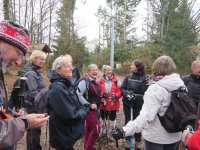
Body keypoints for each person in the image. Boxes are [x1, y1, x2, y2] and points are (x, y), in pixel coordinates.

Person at [113, 56, 184, 150]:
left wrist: (124, 130)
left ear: (156, 68)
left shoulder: (155, 88)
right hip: (175, 135)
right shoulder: (180, 84)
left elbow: (145, 117)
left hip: (156, 138)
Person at [0, 20, 49, 148]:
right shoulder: (31, 74)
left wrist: (13, 116)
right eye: (18, 53)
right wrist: (24, 122)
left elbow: (1, 112)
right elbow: (33, 94)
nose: (19, 62)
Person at [47, 55, 88, 150]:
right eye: (67, 66)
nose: (71, 68)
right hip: (62, 136)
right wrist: (84, 109)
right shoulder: (58, 89)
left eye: (71, 66)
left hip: (66, 135)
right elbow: (71, 115)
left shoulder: (65, 85)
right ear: (58, 69)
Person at [22, 50, 47, 150]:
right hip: (33, 106)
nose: (42, 61)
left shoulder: (37, 72)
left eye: (44, 59)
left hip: (37, 105)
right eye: (40, 59)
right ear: (34, 59)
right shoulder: (31, 73)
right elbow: (33, 93)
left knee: (35, 131)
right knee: (33, 132)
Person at [121, 59, 148, 150]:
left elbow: (146, 93)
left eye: (132, 65)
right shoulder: (128, 77)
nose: (131, 66)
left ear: (137, 67)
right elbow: (122, 88)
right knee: (128, 121)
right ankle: (129, 143)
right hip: (127, 104)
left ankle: (137, 142)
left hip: (138, 104)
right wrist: (127, 94)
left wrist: (135, 96)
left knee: (138, 122)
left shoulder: (145, 78)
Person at [76, 64, 101, 150]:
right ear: (88, 71)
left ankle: (87, 146)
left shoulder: (95, 81)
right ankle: (89, 148)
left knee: (89, 129)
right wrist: (88, 104)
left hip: (96, 109)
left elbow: (95, 95)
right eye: (93, 70)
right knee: (96, 129)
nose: (95, 72)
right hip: (88, 110)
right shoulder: (84, 81)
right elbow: (78, 95)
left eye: (96, 70)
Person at [98, 65, 121, 139]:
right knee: (102, 118)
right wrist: (101, 95)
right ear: (104, 71)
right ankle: (103, 131)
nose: (108, 72)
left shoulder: (116, 80)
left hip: (113, 103)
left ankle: (110, 133)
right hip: (103, 103)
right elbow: (97, 91)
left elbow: (120, 91)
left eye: (110, 70)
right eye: (106, 70)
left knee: (112, 118)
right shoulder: (100, 80)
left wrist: (116, 95)